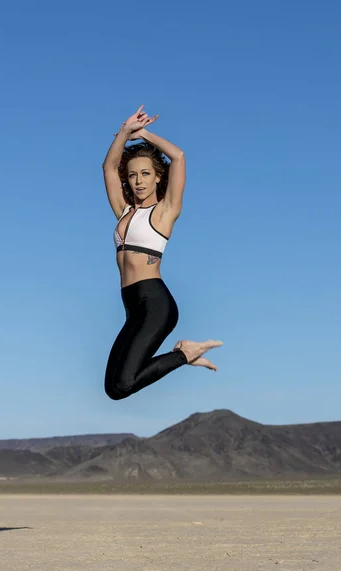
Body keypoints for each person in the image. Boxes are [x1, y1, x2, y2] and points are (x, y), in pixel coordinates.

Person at [102, 105, 222, 400]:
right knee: (114, 388)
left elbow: (178, 157)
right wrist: (125, 131)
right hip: (132, 306)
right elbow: (108, 166)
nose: (139, 180)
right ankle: (185, 356)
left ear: (158, 177)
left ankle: (186, 354)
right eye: (132, 175)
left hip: (156, 304)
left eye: (146, 174)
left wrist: (143, 134)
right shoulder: (124, 212)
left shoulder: (164, 212)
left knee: (124, 384)